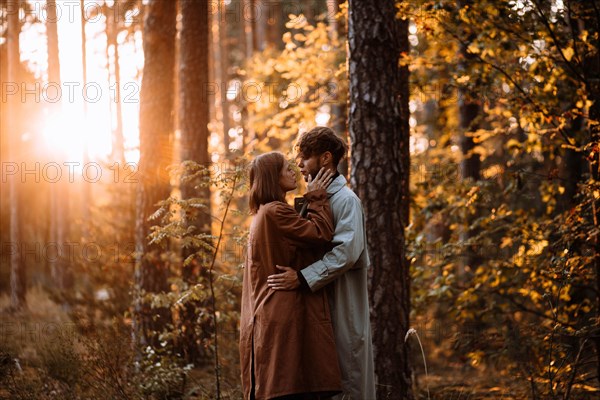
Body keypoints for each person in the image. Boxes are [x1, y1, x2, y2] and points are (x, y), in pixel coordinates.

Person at [267, 127, 377, 400]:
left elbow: (346, 254)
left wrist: (302, 277)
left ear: (325, 158)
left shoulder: (346, 201)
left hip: (341, 309)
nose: (300, 165)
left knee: (346, 382)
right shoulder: (312, 198)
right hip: (314, 310)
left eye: (305, 158)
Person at [240, 151, 342, 400]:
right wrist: (316, 196)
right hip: (283, 316)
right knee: (290, 390)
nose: (293, 172)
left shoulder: (262, 213)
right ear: (272, 178)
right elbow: (321, 234)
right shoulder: (275, 212)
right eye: (286, 169)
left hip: (271, 316)